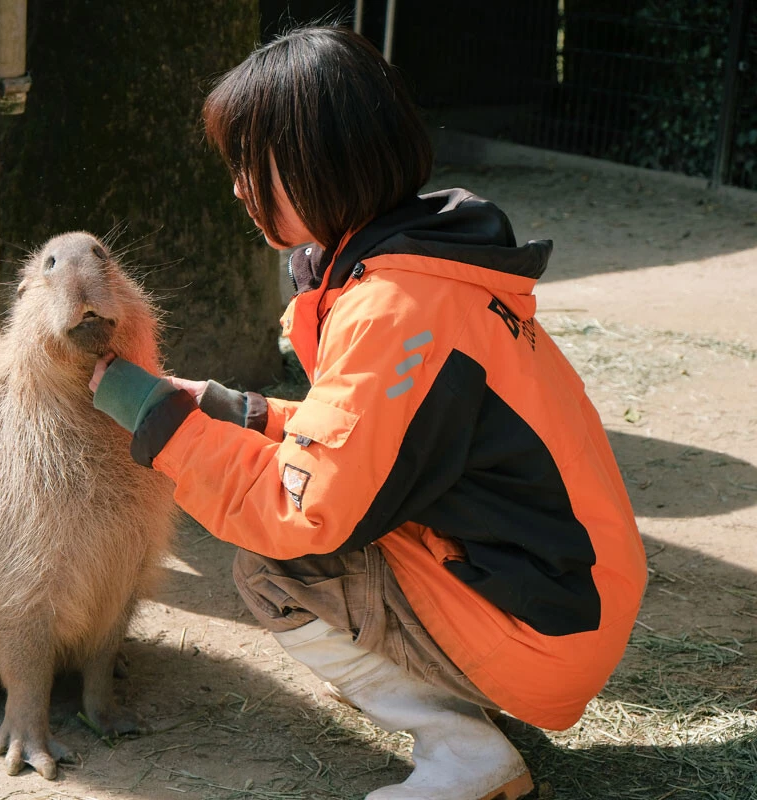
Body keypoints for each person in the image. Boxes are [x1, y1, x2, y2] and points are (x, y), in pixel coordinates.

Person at [89, 25, 648, 800]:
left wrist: (157, 417)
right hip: (566, 595)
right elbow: (367, 441)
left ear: (316, 159)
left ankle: (465, 756)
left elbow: (302, 509)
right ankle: (453, 698)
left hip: (543, 629)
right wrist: (232, 411)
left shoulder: (394, 309)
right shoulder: (424, 270)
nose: (239, 189)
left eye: (251, 163)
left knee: (276, 570)